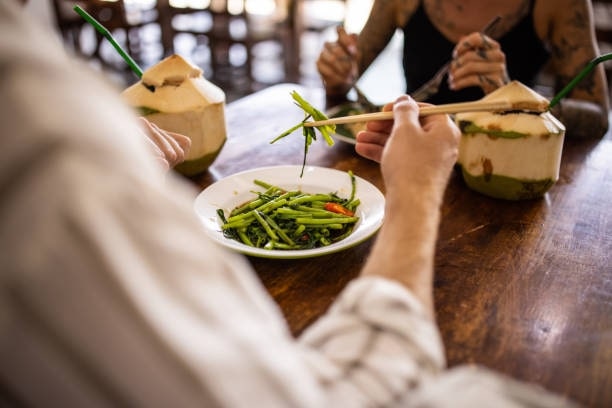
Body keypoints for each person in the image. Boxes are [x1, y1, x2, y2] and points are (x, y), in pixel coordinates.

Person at [0, 1, 580, 406]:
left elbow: (596, 112)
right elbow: (347, 99)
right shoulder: (44, 140)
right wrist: (412, 185)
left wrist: (515, 96)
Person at [317, 0, 610, 139]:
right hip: (410, 158)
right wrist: (338, 79)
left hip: (506, 168)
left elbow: (596, 117)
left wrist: (512, 99)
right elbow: (348, 77)